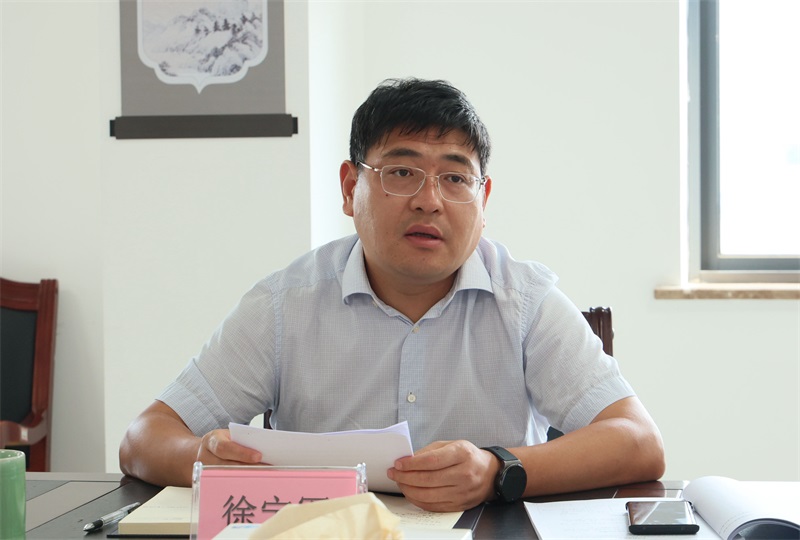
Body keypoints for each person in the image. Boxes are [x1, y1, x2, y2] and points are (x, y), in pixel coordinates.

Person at [120, 77, 665, 512]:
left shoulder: (524, 301)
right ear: (349, 188)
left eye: (455, 179)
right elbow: (144, 438)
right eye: (402, 172)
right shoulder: (286, 304)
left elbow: (639, 441)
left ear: (483, 200)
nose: (430, 200)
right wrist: (202, 458)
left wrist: (497, 469)